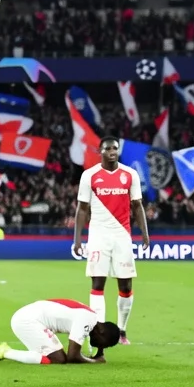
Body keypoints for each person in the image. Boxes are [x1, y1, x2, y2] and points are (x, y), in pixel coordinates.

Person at [72, 137, 151, 344]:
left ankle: (122, 330)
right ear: (100, 151)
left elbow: (137, 205)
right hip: (98, 235)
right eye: (108, 148)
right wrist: (77, 239)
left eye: (115, 148)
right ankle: (98, 333)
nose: (112, 152)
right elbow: (82, 209)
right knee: (98, 282)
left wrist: (144, 232)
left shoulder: (129, 175)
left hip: (122, 236)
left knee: (125, 286)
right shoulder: (89, 176)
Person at [0, 299, 120, 365]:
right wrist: (94, 361)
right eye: (104, 344)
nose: (100, 347)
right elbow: (73, 356)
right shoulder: (87, 320)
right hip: (27, 321)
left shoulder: (91, 317)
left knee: (54, 355)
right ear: (101, 331)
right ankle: (6, 352)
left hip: (29, 317)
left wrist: (98, 352)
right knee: (58, 359)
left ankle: (9, 352)